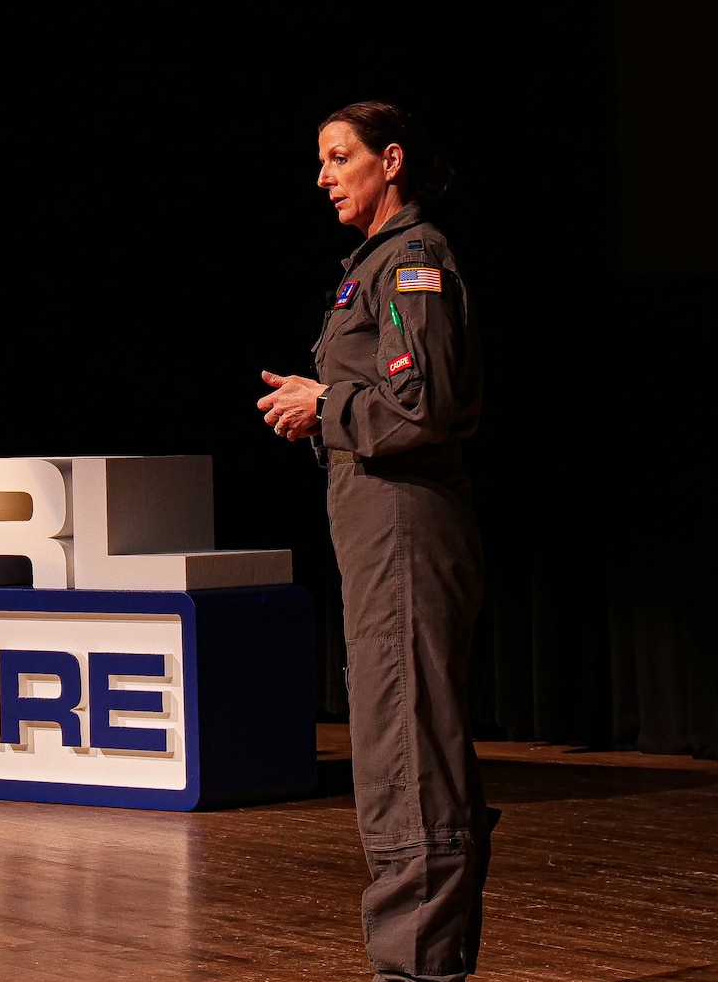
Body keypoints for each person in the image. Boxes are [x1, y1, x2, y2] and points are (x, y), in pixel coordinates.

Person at [257, 101, 494, 981]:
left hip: (405, 531)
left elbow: (423, 410)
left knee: (409, 759)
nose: (323, 177)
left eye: (338, 157)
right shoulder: (376, 266)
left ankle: (416, 970)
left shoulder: (413, 262)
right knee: (404, 746)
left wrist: (329, 405)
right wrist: (321, 402)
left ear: (389, 160)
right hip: (379, 532)